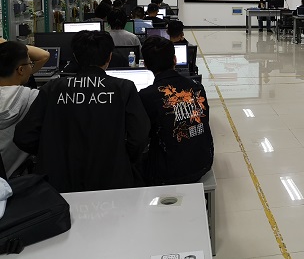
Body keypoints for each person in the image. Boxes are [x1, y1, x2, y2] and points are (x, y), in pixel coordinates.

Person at [14, 31, 150, 192]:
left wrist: (51, 152)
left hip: (59, 182)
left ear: (76, 58)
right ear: (109, 57)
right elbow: (139, 135)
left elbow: (24, 136)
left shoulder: (52, 88)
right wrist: (122, 157)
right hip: (112, 178)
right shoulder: (124, 88)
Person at [139, 36, 213, 185]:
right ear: (175, 59)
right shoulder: (196, 86)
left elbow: (140, 136)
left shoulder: (146, 96)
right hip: (203, 162)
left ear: (146, 65)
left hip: (168, 173)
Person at [0, 40, 49, 178]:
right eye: (30, 64)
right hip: (15, 180)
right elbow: (44, 55)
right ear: (21, 70)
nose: (32, 67)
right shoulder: (33, 98)